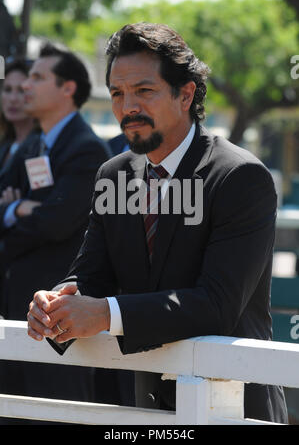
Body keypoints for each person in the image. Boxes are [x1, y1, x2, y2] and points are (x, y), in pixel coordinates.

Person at [27, 23, 288, 424]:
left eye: (143, 91)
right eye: (117, 93)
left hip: (234, 407)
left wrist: (103, 313)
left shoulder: (240, 177)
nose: (127, 106)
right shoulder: (112, 175)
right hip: (142, 409)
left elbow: (216, 305)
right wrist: (57, 303)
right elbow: (92, 278)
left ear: (185, 94)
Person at [0, 44, 113, 424]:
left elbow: (58, 223)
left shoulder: (87, 149)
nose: (25, 86)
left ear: (68, 88)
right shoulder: (32, 144)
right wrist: (19, 208)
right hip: (16, 312)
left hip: (59, 320)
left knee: (57, 414)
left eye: (37, 77)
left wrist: (17, 212)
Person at [0, 59, 36, 178]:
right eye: (7, 90)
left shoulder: (42, 148)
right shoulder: (5, 145)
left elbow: (39, 194)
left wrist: (18, 198)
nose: (13, 99)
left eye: (21, 91)